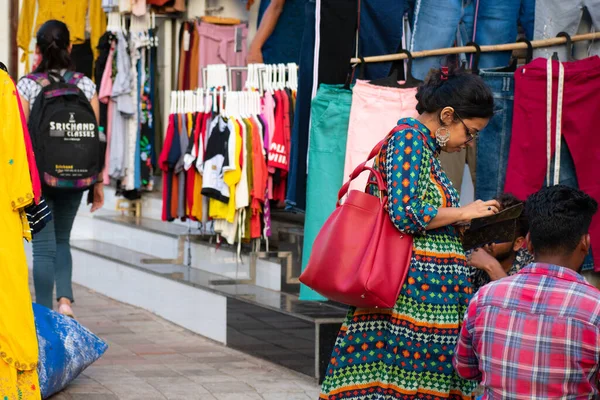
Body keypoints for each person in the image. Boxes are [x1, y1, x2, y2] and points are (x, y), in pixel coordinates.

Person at [320, 67, 497, 399]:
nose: (469, 142)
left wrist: (460, 219)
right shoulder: (409, 139)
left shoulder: (423, 147)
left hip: (421, 297)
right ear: (447, 115)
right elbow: (405, 213)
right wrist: (464, 211)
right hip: (411, 297)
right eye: (470, 132)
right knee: (406, 382)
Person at [454, 185, 600, 398]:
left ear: (527, 243)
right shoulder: (595, 308)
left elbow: (465, 368)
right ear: (585, 244)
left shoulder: (484, 298)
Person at [17, 20, 104, 318]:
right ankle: (65, 301)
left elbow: (22, 136)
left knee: (43, 246)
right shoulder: (85, 84)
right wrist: (98, 182)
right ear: (70, 47)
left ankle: (43, 314)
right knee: (63, 238)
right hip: (77, 176)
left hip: (40, 177)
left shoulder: (27, 85)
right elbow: (95, 136)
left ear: (38, 50)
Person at [468, 193, 533, 292]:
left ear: (517, 243)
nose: (488, 239)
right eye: (486, 230)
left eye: (498, 234)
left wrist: (491, 266)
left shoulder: (531, 267)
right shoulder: (470, 259)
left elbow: (520, 303)